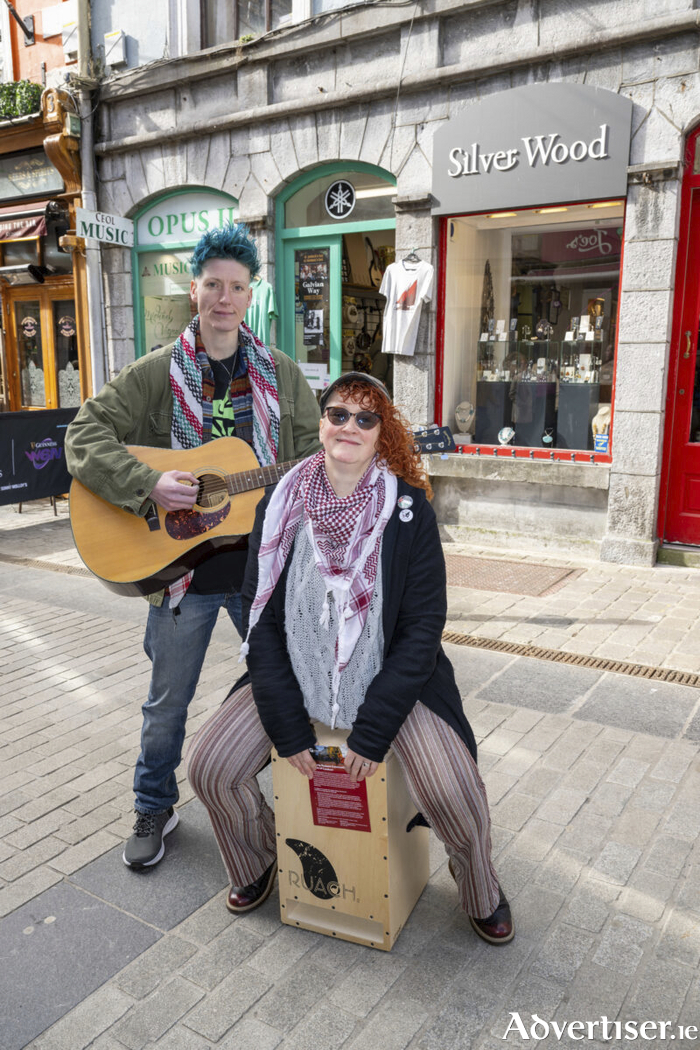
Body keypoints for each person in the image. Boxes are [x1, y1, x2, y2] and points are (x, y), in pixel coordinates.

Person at [186, 372, 514, 944]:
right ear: (322, 423)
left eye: (366, 419)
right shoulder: (280, 502)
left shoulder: (409, 512)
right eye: (340, 414)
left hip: (388, 683)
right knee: (210, 766)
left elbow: (421, 632)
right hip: (296, 672)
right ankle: (257, 861)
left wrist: (372, 731)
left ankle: (480, 889)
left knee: (454, 791)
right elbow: (258, 616)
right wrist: (288, 729)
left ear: (381, 433)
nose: (350, 427)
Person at [65, 223, 321, 870]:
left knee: (281, 685)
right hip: (180, 572)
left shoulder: (282, 376)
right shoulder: (155, 373)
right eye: (213, 284)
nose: (224, 298)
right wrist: (148, 483)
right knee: (165, 705)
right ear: (194, 288)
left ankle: (279, 798)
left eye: (237, 286)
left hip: (257, 568)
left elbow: (308, 463)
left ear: (251, 293)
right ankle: (154, 805)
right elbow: (83, 434)